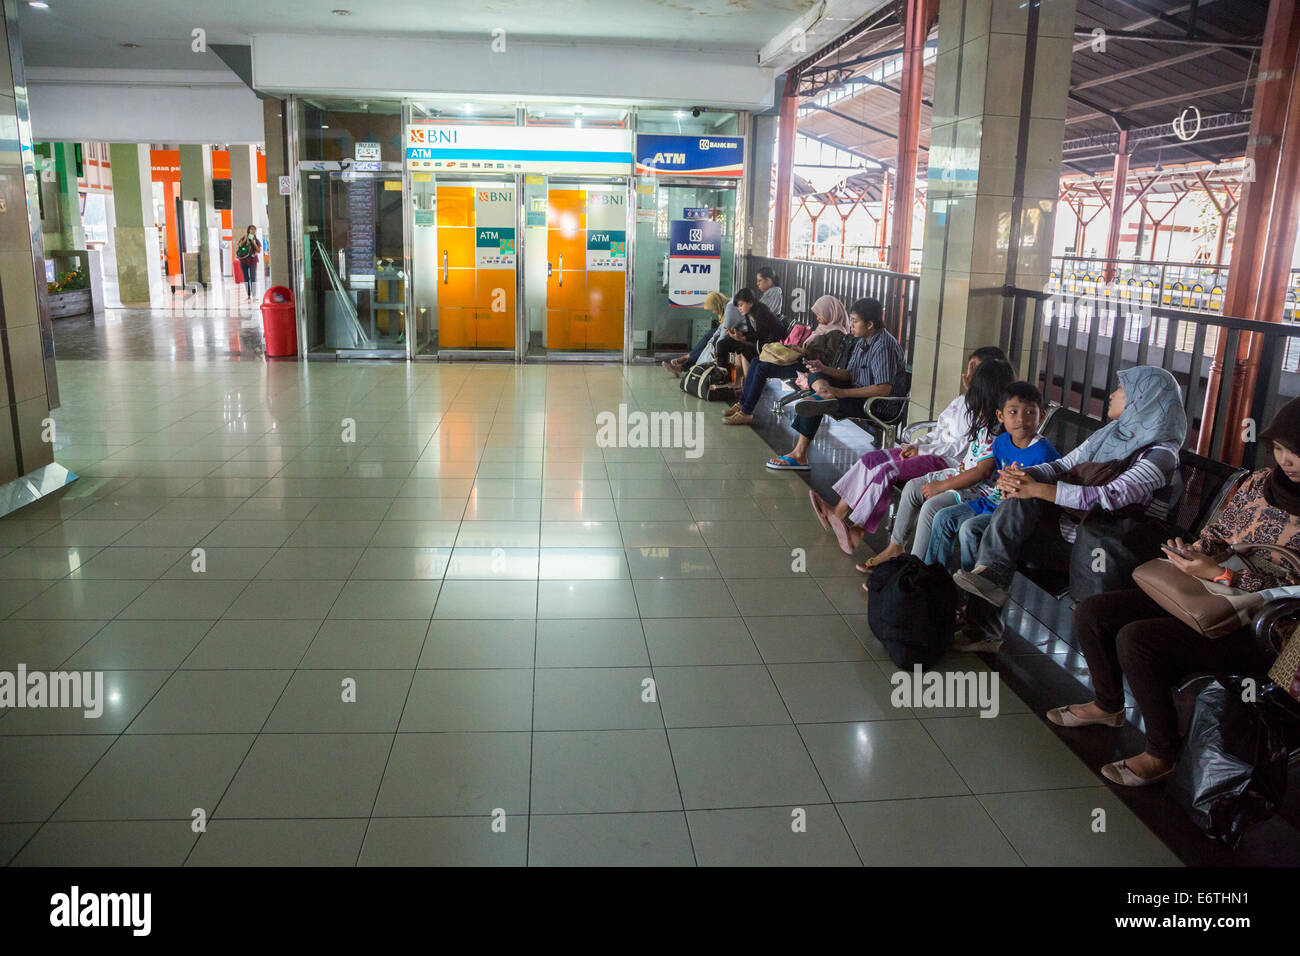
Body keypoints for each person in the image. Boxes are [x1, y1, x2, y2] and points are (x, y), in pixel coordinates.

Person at [1048, 398, 1300, 787]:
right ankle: (1107, 704)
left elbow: (1293, 593)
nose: (1287, 461)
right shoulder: (1258, 484)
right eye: (1280, 449)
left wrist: (1221, 575)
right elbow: (1217, 536)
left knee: (1138, 640)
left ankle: (1161, 751)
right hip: (1209, 592)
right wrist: (1197, 552)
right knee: (1094, 612)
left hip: (1264, 627)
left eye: (1296, 452)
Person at [952, 364, 1187, 617]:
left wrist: (1038, 489)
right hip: (1072, 529)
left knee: (1005, 512)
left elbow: (1109, 497)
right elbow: (1063, 465)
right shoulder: (1110, 434)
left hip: (1104, 550)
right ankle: (988, 594)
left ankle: (984, 619)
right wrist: (1023, 476)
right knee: (999, 510)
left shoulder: (1161, 456)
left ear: (1144, 398)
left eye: (1121, 389)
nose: (1112, 394)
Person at [810, 345, 1008, 544]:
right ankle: (838, 511)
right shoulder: (960, 401)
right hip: (929, 451)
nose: (967, 373)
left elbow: (959, 448)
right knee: (871, 458)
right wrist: (915, 445)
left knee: (887, 471)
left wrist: (922, 450)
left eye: (975, 368)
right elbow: (938, 431)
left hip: (946, 461)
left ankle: (858, 530)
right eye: (969, 366)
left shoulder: (983, 413)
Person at [925, 382, 1061, 651]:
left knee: (970, 530)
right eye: (1013, 412)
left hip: (1016, 518)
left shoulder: (1045, 454)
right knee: (944, 518)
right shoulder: (1000, 442)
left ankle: (974, 606)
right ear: (1000, 416)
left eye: (1030, 412)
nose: (1021, 420)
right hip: (991, 504)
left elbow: (1044, 499)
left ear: (1041, 415)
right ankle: (936, 596)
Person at [764, 297, 905, 472]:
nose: (851, 325)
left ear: (869, 324)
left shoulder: (883, 346)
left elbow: (883, 389)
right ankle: (823, 394)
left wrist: (841, 392)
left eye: (855, 321)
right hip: (857, 391)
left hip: (878, 404)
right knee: (816, 374)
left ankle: (799, 454)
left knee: (814, 402)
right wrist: (823, 368)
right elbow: (850, 374)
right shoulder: (862, 339)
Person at [723, 294, 850, 426]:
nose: (817, 317)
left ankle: (746, 412)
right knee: (756, 362)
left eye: (820, 314)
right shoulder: (823, 328)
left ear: (830, 312)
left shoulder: (836, 333)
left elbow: (828, 359)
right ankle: (742, 403)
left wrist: (805, 352)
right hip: (801, 361)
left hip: (808, 367)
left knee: (762, 368)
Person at [715, 288, 785, 380]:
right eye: (738, 306)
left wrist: (743, 338)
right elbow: (752, 333)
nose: (739, 308)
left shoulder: (761, 311)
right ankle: (724, 375)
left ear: (750, 302)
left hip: (770, 345)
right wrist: (739, 334)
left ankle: (742, 381)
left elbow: (762, 334)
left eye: (741, 305)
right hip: (759, 342)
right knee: (723, 343)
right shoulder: (749, 313)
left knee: (741, 348)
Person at [662, 291, 737, 375]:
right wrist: (710, 342)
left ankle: (682, 366)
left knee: (709, 346)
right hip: (727, 331)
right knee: (709, 335)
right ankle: (686, 357)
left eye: (713, 309)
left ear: (718, 305)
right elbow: (721, 328)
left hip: (733, 334)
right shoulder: (725, 307)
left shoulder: (729, 308)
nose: (713, 312)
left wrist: (712, 345)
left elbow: (724, 331)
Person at [236, 225, 261, 298]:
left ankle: (254, 295)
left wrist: (253, 242)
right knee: (246, 278)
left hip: (253, 261)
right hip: (243, 261)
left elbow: (258, 250)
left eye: (254, 230)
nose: (253, 231)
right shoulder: (244, 237)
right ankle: (248, 295)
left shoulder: (256, 240)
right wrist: (245, 240)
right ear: (248, 230)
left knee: (253, 277)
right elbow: (239, 246)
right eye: (251, 229)